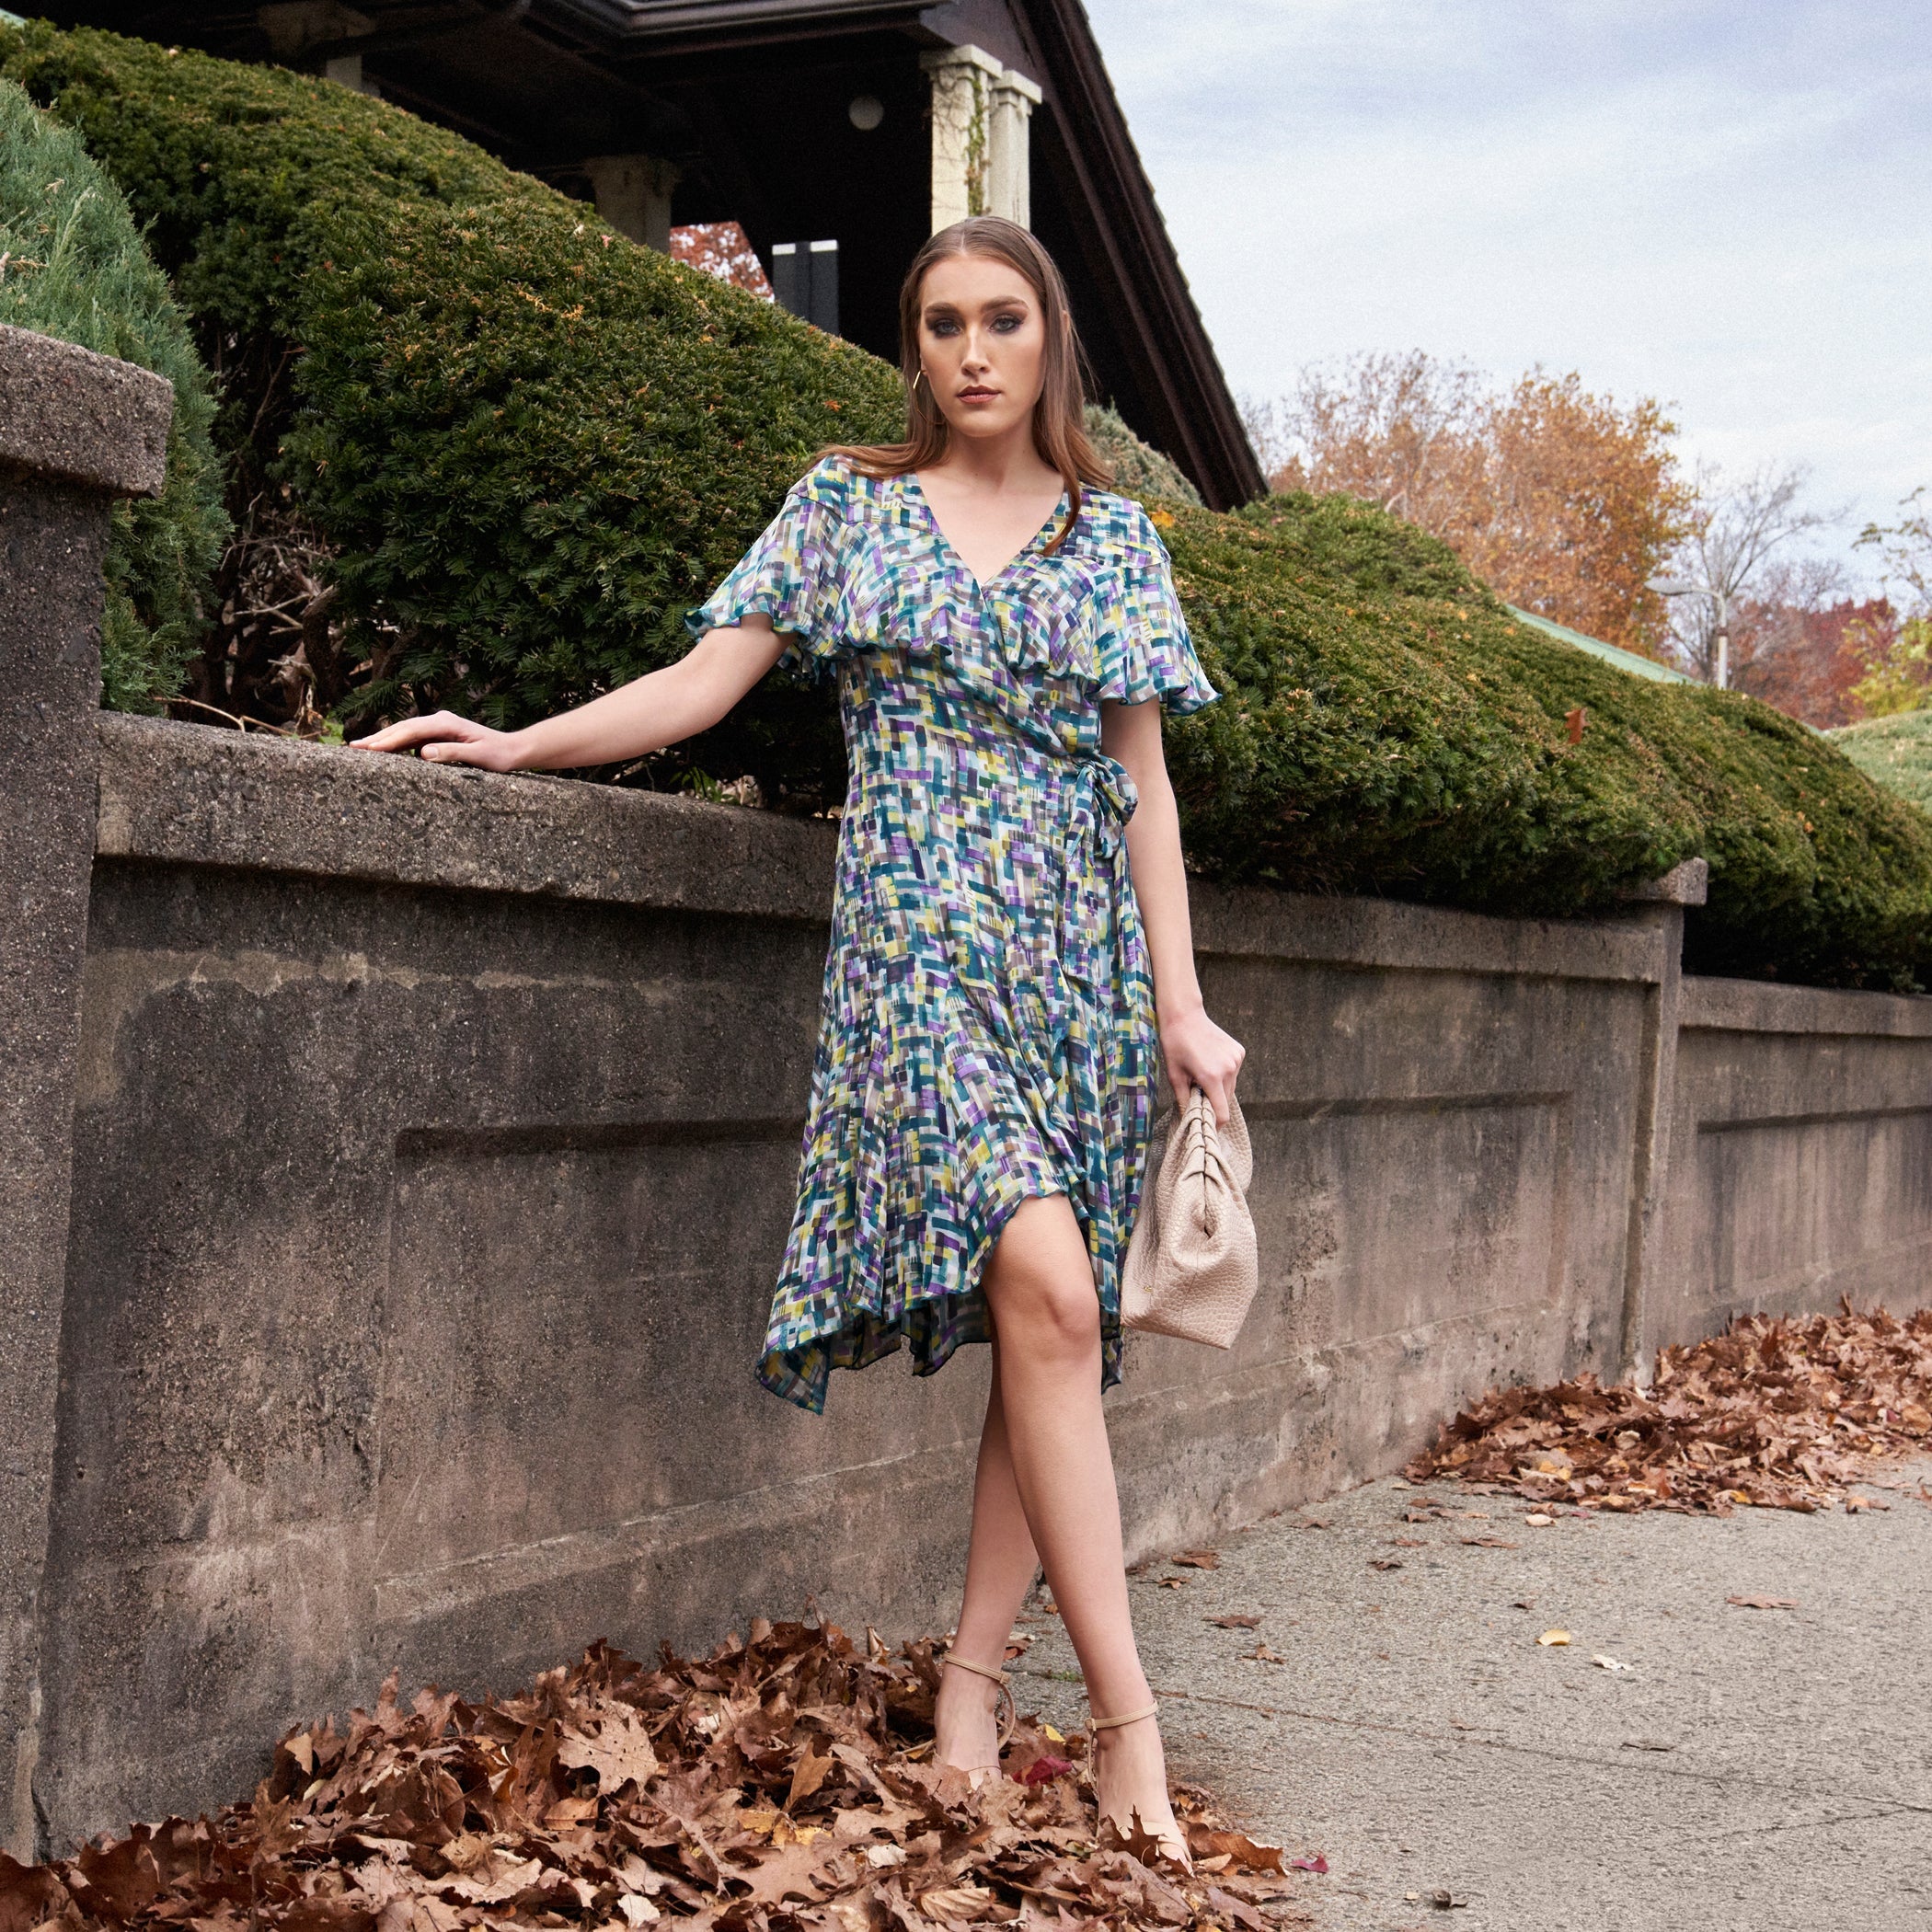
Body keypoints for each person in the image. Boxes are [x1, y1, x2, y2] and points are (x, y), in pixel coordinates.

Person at [351, 214, 1246, 1863]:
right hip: (915, 959)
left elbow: (1143, 783)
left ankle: (972, 1684)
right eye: (939, 325)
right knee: (1048, 1286)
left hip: (1078, 975)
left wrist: (1182, 1009)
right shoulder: (846, 507)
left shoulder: (1117, 544)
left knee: (1039, 1330)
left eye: (1001, 321)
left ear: (1050, 340)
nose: (971, 352)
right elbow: (700, 689)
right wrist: (516, 747)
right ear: (912, 349)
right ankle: (1133, 1725)